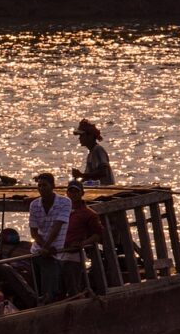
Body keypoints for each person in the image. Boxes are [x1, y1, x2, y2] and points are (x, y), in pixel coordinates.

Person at [29, 173, 71, 303]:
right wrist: (43, 247)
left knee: (51, 280)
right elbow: (34, 233)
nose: (41, 188)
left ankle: (49, 299)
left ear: (53, 186)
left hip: (54, 250)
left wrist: (47, 248)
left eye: (45, 185)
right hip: (38, 250)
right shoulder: (34, 205)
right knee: (39, 282)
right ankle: (40, 300)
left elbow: (56, 227)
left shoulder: (64, 202)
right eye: (39, 186)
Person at [60, 180, 103, 297]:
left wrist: (83, 243)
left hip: (73, 255)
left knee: (73, 288)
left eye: (76, 191)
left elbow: (98, 235)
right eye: (71, 191)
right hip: (58, 253)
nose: (73, 194)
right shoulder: (61, 210)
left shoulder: (89, 214)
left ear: (82, 193)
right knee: (59, 287)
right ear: (67, 193)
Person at [71, 118, 116, 186]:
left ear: (91, 136)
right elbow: (89, 177)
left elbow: (103, 172)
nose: (80, 138)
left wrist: (81, 175)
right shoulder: (91, 153)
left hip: (104, 188)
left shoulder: (98, 150)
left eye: (82, 135)